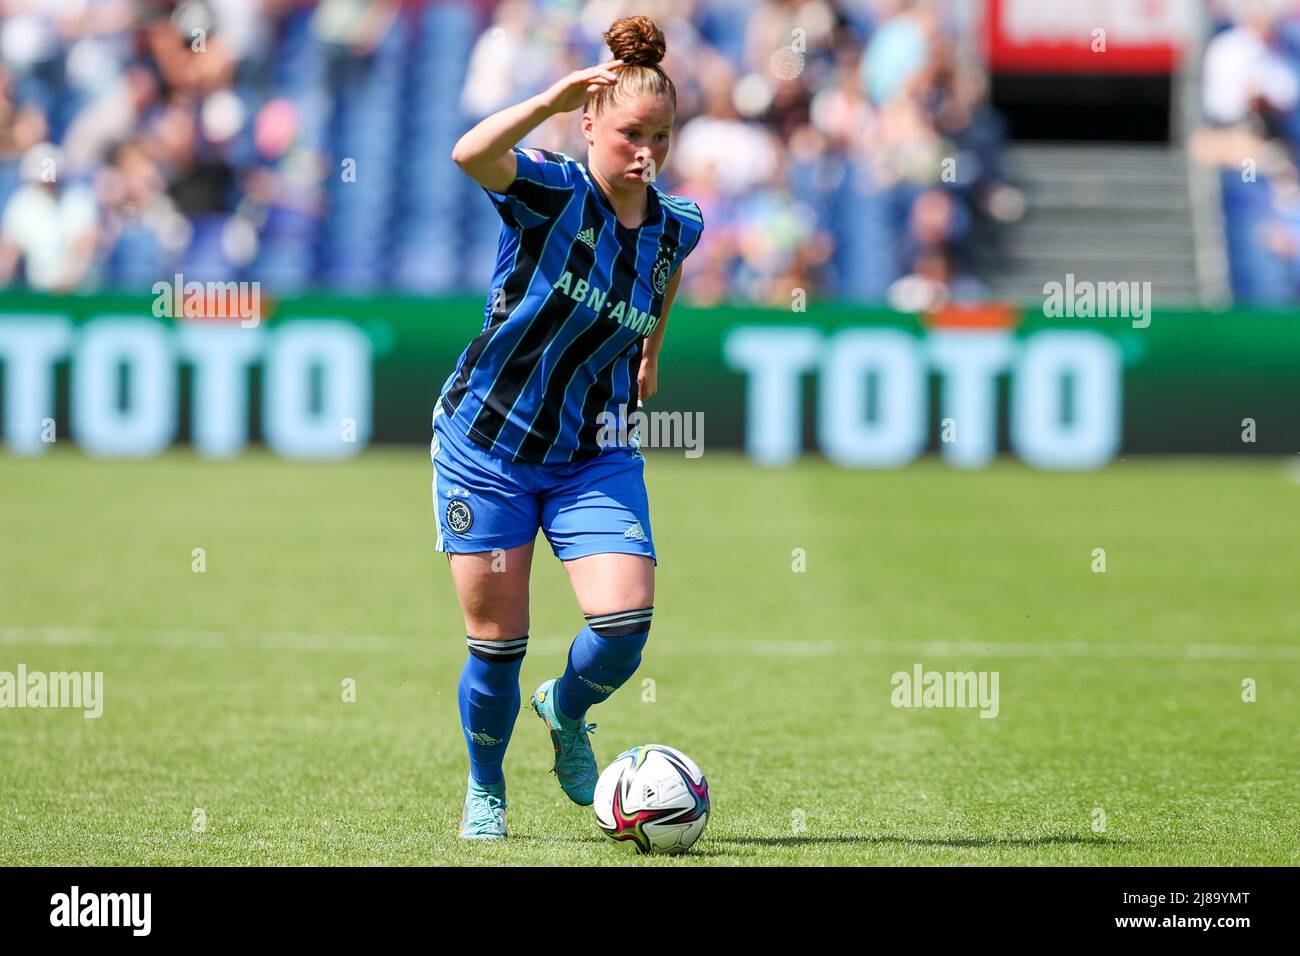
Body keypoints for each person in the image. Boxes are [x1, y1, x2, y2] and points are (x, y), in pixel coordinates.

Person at [436, 15, 704, 839]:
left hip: (593, 452)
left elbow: (661, 282)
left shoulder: (678, 222)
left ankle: (567, 707)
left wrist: (651, 355)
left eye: (660, 137)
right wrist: (547, 99)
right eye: (630, 134)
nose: (645, 152)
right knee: (497, 644)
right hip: (488, 445)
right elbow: (468, 154)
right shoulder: (551, 189)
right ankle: (487, 787)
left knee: (623, 625)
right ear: (589, 124)